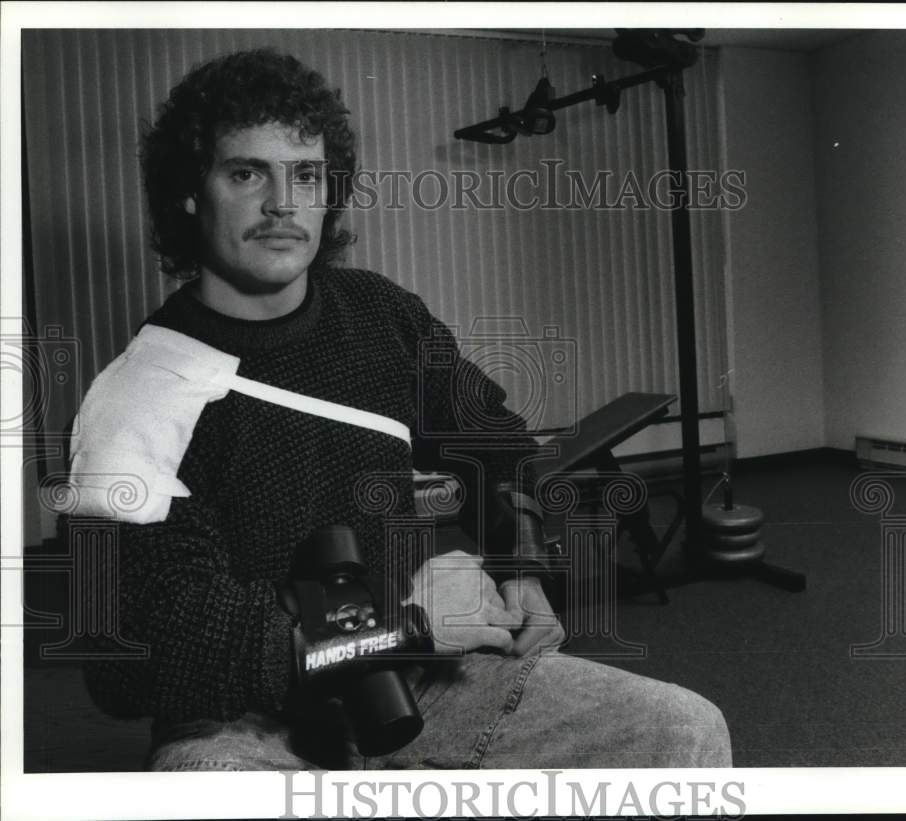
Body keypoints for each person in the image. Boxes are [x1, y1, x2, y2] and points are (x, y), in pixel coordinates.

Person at [70, 48, 731, 771]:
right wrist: (405, 624)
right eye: (246, 173)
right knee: (205, 785)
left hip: (416, 683)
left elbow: (496, 447)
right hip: (247, 720)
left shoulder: (380, 316)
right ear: (190, 194)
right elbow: (128, 655)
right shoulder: (139, 394)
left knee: (681, 730)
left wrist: (520, 566)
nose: (283, 203)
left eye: (306, 175)